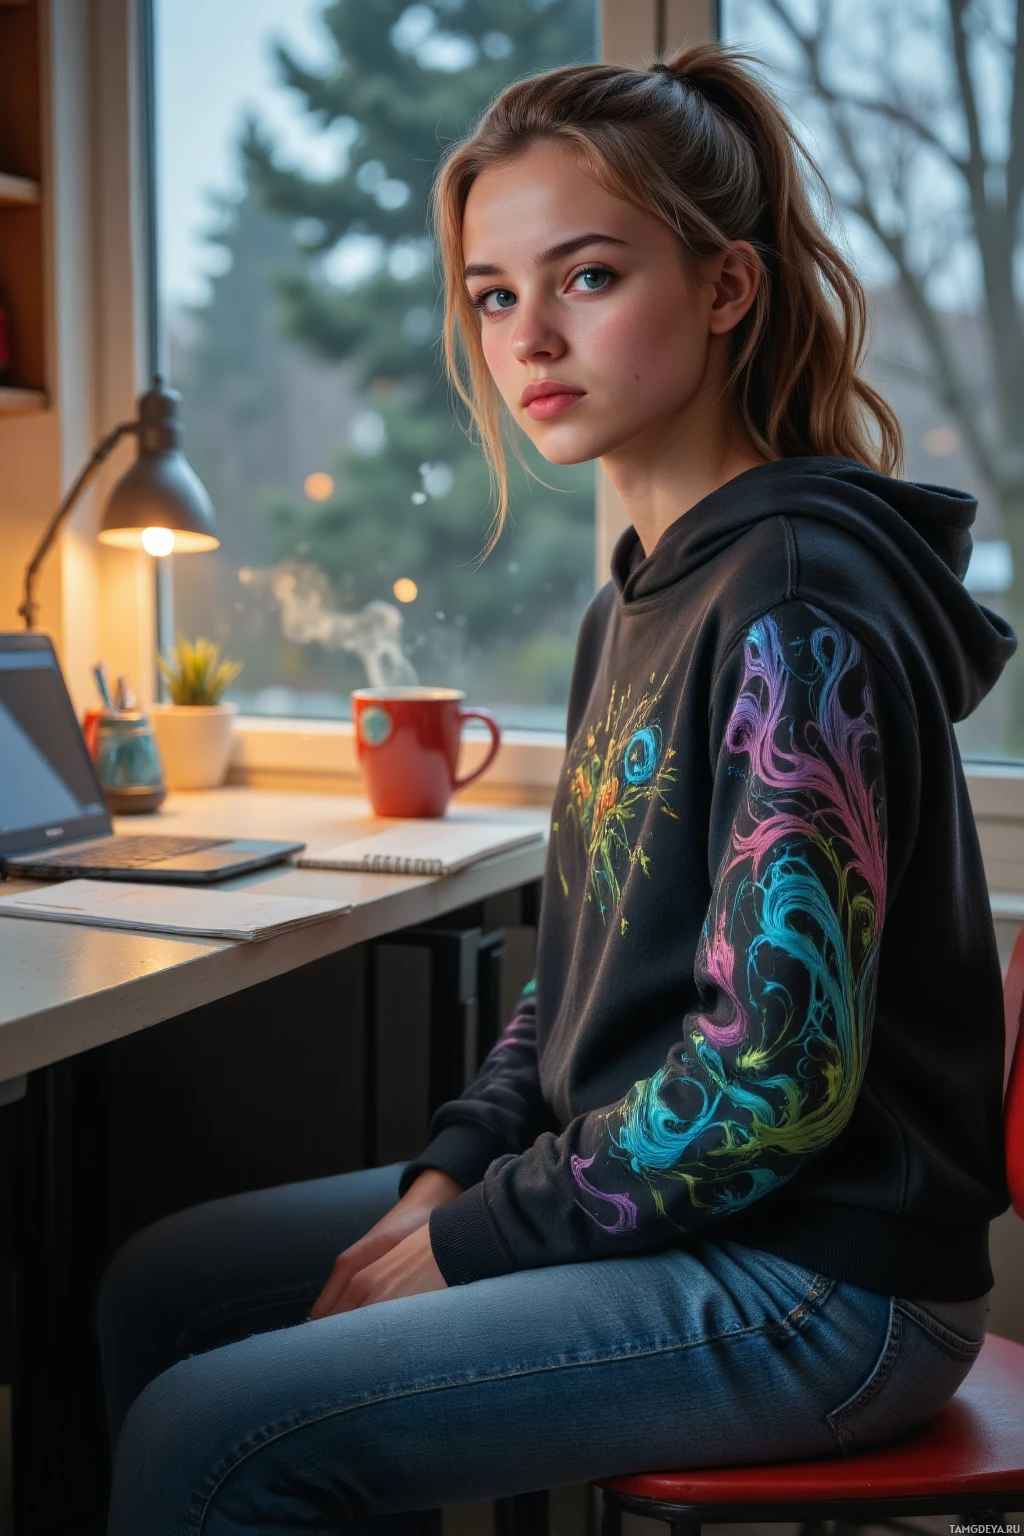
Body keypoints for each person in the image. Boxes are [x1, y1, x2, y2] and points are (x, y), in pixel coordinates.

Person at [99, 43, 1016, 1534]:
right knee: (166, 1285)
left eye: (586, 277)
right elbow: (576, 983)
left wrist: (472, 1244)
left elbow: (770, 1083)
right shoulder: (637, 600)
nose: (529, 339)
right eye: (492, 294)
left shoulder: (796, 602)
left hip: (823, 1287)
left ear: (725, 289)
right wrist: (449, 1175)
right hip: (670, 1215)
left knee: (217, 1432)